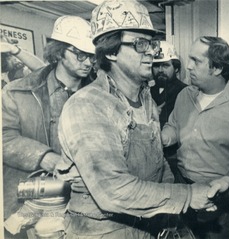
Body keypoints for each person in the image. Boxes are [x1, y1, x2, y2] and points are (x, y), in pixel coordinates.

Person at [55, 1, 215, 238]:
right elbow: (114, 191)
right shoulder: (88, 105)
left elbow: (159, 166)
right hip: (102, 231)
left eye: (150, 43)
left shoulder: (145, 98)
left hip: (146, 225)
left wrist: (175, 212)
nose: (151, 51)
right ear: (110, 51)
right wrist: (188, 196)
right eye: (140, 44)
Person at [2, 15, 95, 237]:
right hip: (25, 199)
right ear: (59, 52)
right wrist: (47, 158)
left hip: (79, 203)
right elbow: (4, 137)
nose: (88, 62)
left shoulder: (97, 95)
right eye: (80, 54)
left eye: (92, 56)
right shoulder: (18, 92)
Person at [161, 36, 229, 239]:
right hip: (181, 189)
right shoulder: (185, 95)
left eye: (196, 61)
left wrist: (228, 181)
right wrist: (165, 136)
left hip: (217, 199)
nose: (188, 66)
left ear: (216, 69)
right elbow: (173, 125)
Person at [150, 41, 187, 170]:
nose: (160, 70)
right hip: (151, 155)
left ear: (176, 68)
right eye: (156, 66)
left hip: (175, 157)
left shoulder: (186, 92)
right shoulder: (145, 92)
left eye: (165, 66)